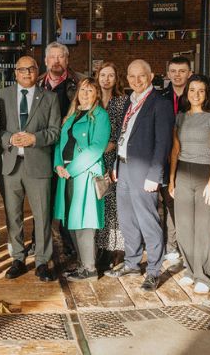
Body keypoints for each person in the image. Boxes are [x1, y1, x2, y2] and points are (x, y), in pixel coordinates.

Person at [105, 59, 173, 292]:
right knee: (127, 220)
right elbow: (124, 135)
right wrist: (115, 165)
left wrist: (155, 174)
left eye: (141, 76)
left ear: (151, 75)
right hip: (123, 167)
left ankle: (154, 270)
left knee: (148, 221)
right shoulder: (130, 101)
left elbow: (164, 142)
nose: (136, 81)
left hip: (144, 171)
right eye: (131, 76)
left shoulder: (160, 103)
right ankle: (132, 262)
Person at [0, 55, 61, 282]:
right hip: (12, 165)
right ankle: (18, 259)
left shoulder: (50, 98)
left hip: (39, 164)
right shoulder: (1, 96)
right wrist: (10, 138)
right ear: (15, 73)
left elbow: (55, 131)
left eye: (31, 69)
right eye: (22, 69)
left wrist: (35, 138)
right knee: (13, 216)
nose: (26, 73)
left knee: (42, 216)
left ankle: (42, 261)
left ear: (38, 71)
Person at [168, 74, 210, 295]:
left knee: (202, 228)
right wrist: (171, 178)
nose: (196, 94)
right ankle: (190, 271)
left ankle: (204, 277)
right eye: (192, 90)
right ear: (186, 92)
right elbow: (175, 150)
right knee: (183, 228)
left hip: (204, 173)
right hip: (182, 172)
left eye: (201, 90)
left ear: (206, 93)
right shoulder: (180, 117)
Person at [53, 78, 111, 281]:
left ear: (97, 94)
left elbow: (96, 147)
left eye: (90, 90)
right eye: (82, 89)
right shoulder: (72, 115)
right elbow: (61, 142)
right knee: (72, 221)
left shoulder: (100, 116)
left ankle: (90, 268)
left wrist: (72, 169)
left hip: (84, 174)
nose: (85, 93)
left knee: (85, 222)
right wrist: (58, 164)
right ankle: (81, 265)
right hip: (66, 174)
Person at [36, 42, 81, 258]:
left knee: (66, 197)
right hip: (42, 149)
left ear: (67, 60)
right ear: (45, 61)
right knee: (42, 198)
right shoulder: (36, 84)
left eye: (60, 57)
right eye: (52, 57)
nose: (56, 61)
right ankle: (39, 242)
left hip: (68, 151)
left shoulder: (79, 83)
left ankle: (69, 242)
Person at [94, 62, 128, 270]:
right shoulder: (93, 101)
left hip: (114, 159)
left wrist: (113, 143)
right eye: (103, 75)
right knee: (101, 205)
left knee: (115, 206)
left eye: (111, 75)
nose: (106, 79)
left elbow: (124, 129)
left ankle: (117, 250)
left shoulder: (122, 101)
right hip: (95, 158)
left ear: (117, 79)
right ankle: (102, 248)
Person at [159, 56, 193, 263]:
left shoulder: (197, 96)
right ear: (168, 74)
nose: (178, 75)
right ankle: (170, 245)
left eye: (182, 71)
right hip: (164, 156)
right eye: (174, 71)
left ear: (189, 73)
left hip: (191, 158)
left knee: (189, 203)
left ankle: (188, 244)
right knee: (169, 201)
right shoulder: (160, 97)